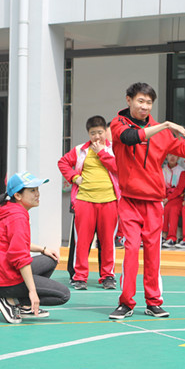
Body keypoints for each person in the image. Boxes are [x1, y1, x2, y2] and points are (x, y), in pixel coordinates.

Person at [109, 82, 185, 320]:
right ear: (128, 100)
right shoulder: (117, 124)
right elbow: (130, 138)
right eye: (140, 101)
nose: (145, 106)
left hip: (153, 203)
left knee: (153, 253)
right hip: (129, 201)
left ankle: (153, 302)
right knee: (130, 252)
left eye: (149, 103)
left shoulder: (160, 131)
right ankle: (126, 302)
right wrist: (167, 125)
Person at [0, 172, 70, 324]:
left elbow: (16, 243)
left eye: (37, 189)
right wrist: (32, 292)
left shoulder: (10, 210)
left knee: (50, 259)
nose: (37, 194)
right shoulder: (17, 217)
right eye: (32, 190)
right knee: (63, 295)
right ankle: (13, 301)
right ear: (18, 195)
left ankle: (23, 305)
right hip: (5, 281)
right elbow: (19, 257)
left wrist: (43, 249)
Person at [58, 115, 119, 290]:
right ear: (88, 133)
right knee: (82, 242)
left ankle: (108, 276)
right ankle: (80, 277)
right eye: (93, 133)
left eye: (100, 132)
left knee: (108, 242)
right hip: (84, 201)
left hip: (109, 201)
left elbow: (118, 168)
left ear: (106, 132)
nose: (97, 137)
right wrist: (74, 177)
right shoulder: (79, 150)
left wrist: (101, 152)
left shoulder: (114, 150)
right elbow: (62, 163)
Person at [162, 154, 185, 248]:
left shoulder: (181, 171)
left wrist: (168, 199)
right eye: (170, 155)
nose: (172, 157)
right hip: (165, 197)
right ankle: (163, 235)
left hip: (178, 197)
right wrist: (163, 198)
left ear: (179, 157)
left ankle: (171, 237)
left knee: (172, 209)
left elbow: (180, 189)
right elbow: (161, 186)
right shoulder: (163, 170)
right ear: (166, 156)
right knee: (161, 207)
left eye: (175, 155)